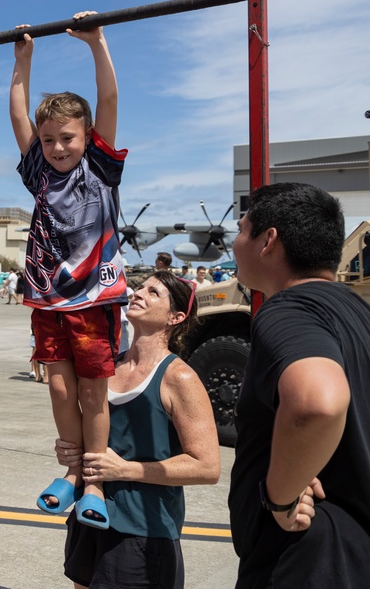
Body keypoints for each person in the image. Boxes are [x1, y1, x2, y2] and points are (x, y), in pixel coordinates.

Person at [10, 11, 125, 529]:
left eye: (67, 138)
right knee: (59, 388)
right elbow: (18, 118)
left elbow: (109, 102)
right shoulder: (38, 172)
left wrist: (97, 44)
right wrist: (22, 61)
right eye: (50, 138)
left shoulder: (97, 167)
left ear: (85, 137)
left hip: (94, 298)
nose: (57, 147)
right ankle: (73, 471)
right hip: (50, 299)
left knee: (92, 389)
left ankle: (96, 480)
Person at [228, 183, 370, 588]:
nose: (235, 243)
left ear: (268, 240)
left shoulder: (289, 309)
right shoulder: (357, 313)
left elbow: (317, 403)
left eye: (242, 230)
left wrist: (281, 496)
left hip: (305, 559)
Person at [56, 270, 220, 588]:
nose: (138, 293)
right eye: (140, 287)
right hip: (91, 517)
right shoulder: (108, 367)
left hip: (142, 531)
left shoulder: (179, 378)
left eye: (154, 292)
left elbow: (207, 466)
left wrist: (126, 469)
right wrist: (70, 447)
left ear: (176, 316)